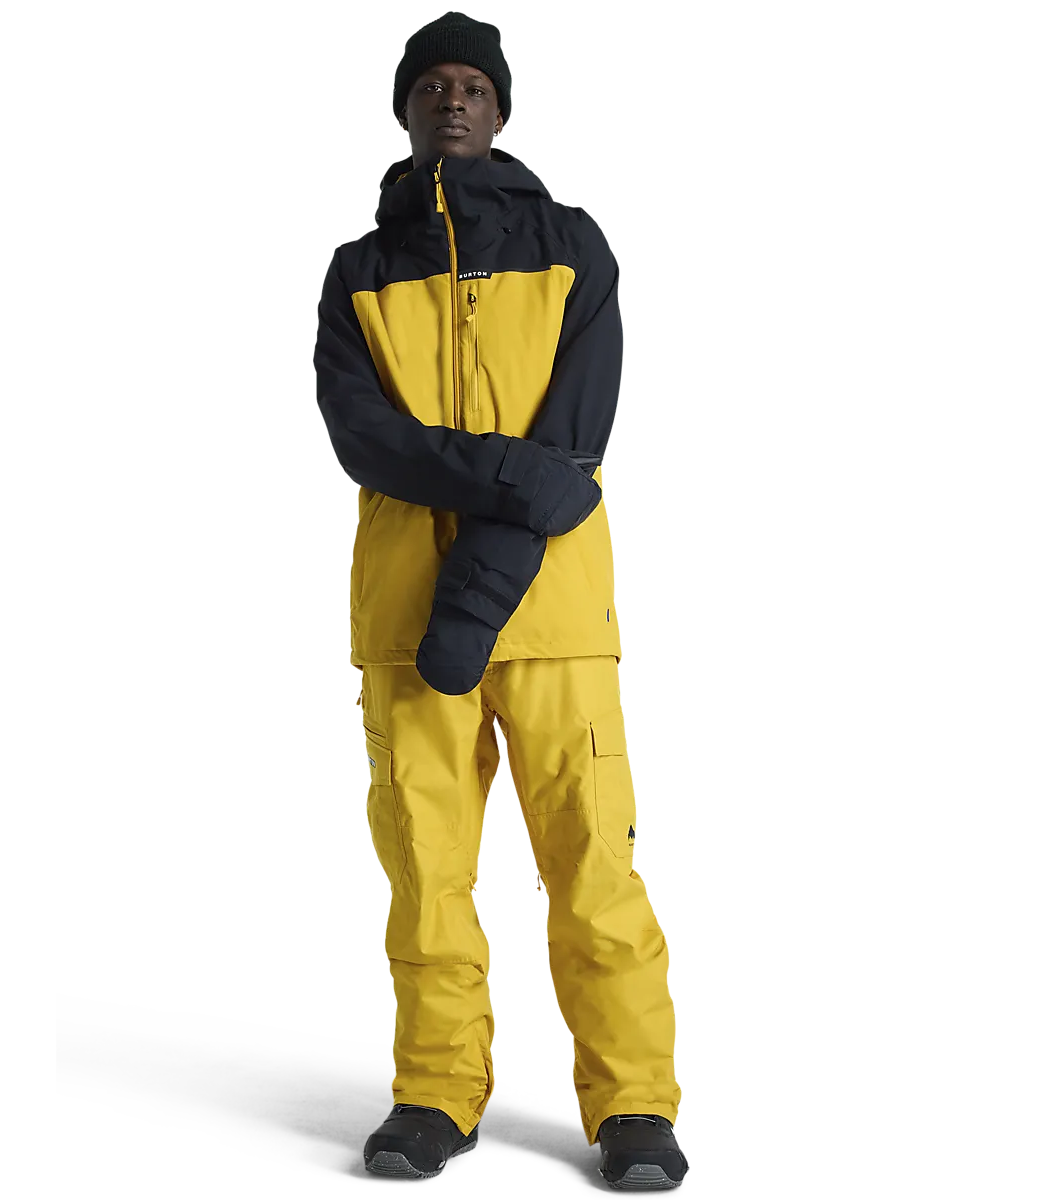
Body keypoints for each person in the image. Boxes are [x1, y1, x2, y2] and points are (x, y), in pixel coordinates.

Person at [311, 10, 689, 1188]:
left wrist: (480, 580)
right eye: (432, 86)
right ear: (405, 112)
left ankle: (635, 1104)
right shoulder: (357, 269)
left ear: (503, 112)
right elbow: (365, 440)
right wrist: (511, 489)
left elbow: (573, 441)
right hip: (405, 624)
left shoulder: (576, 245)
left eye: (473, 86)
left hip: (554, 623)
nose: (453, 100)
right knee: (425, 874)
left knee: (593, 865)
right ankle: (434, 1092)